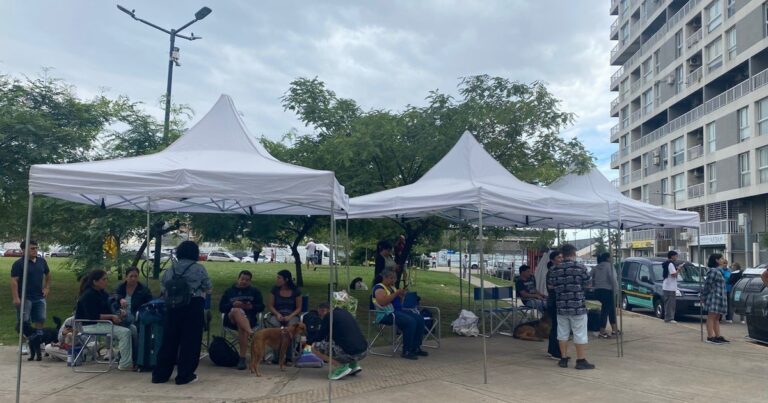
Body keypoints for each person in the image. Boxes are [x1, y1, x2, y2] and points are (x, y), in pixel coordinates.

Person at [152, 240, 212, 385]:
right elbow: (208, 287)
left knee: (169, 340)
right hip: (193, 305)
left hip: (172, 307)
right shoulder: (198, 268)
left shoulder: (171, 269)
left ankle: (160, 375)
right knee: (190, 341)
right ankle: (184, 375)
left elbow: (163, 288)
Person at [547, 244, 594, 370]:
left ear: (562, 253)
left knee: (562, 333)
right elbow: (589, 284)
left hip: (561, 307)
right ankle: (581, 360)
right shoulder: (581, 267)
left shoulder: (554, 269)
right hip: (577, 307)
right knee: (580, 333)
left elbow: (551, 286)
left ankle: (563, 358)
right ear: (573, 253)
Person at [75, 269, 134, 371]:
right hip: (89, 325)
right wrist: (111, 317)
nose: (106, 281)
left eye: (107, 279)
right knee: (125, 332)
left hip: (101, 323)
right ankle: (125, 364)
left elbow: (109, 306)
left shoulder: (102, 293)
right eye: (104, 279)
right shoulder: (88, 295)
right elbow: (93, 316)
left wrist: (119, 313)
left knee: (132, 328)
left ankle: (134, 359)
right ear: (95, 282)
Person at [372, 269, 427, 360]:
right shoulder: (379, 288)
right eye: (391, 278)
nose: (393, 280)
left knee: (419, 319)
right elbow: (383, 302)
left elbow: (399, 304)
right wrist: (396, 293)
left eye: (395, 278)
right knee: (410, 321)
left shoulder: (392, 288)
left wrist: (401, 297)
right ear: (384, 278)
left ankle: (416, 347)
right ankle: (406, 350)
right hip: (385, 314)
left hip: (397, 312)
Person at [10, 239, 51, 355]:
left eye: (36, 248)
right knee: (24, 322)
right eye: (32, 248)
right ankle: (23, 344)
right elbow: (14, 281)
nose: (35, 250)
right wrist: (16, 297)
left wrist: (47, 288)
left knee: (40, 319)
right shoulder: (19, 264)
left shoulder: (42, 261)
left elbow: (48, 274)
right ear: (24, 250)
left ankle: (39, 341)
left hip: (39, 297)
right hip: (25, 297)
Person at [219, 270, 265, 370]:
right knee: (236, 310)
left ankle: (242, 359)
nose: (244, 281)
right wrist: (232, 304)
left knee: (242, 326)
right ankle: (251, 333)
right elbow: (221, 308)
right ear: (238, 279)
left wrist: (251, 307)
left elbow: (261, 307)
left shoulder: (255, 292)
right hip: (231, 319)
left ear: (250, 281)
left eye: (247, 280)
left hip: (248, 319)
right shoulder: (229, 291)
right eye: (242, 279)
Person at [310, 302, 368, 380]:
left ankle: (341, 366)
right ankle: (353, 365)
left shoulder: (328, 316)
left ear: (324, 311)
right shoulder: (344, 312)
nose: (320, 318)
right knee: (344, 342)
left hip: (351, 353)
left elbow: (319, 337)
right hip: (363, 351)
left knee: (314, 347)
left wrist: (308, 340)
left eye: (320, 315)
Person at [265, 270, 302, 363]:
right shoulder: (275, 290)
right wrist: (277, 314)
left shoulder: (296, 291)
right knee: (276, 327)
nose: (277, 280)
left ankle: (289, 356)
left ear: (286, 279)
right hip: (277, 314)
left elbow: (299, 308)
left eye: (279, 278)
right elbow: (270, 305)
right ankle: (276, 356)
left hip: (292, 315)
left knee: (290, 329)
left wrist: (290, 316)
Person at [701, 253, 729, 344]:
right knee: (711, 316)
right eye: (721, 258)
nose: (723, 260)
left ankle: (718, 336)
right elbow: (707, 284)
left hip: (720, 297)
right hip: (714, 296)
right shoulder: (713, 271)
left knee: (717, 317)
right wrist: (704, 296)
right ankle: (710, 336)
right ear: (716, 260)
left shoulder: (719, 271)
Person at [592, 252, 619, 338]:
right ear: (607, 258)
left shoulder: (596, 267)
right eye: (611, 257)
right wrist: (616, 290)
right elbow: (613, 279)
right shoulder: (610, 266)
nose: (612, 259)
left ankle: (614, 329)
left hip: (597, 291)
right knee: (606, 311)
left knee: (610, 310)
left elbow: (590, 277)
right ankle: (602, 331)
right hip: (608, 291)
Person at [661, 251, 680, 324]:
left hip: (667, 286)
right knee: (670, 304)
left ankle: (668, 318)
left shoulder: (667, 263)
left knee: (668, 303)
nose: (676, 257)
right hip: (670, 287)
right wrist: (679, 269)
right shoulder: (671, 264)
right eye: (676, 256)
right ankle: (669, 318)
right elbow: (673, 274)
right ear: (672, 256)